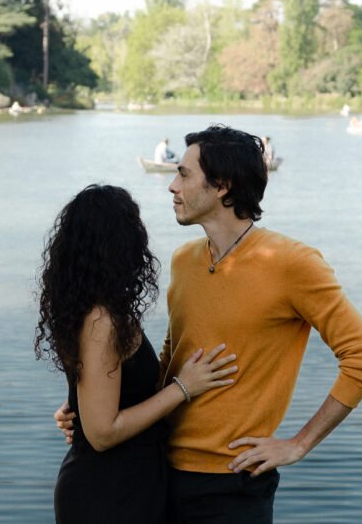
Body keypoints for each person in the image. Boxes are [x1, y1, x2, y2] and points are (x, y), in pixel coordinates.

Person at [57, 125, 362, 523]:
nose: (172, 186)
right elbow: (172, 360)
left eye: (184, 174)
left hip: (232, 485)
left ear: (222, 187)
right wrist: (95, 401)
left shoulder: (292, 264)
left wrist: (298, 445)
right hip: (155, 476)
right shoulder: (184, 261)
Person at [37, 184, 238, 524]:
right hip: (108, 493)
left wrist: (79, 407)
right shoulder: (101, 321)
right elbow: (102, 434)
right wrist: (183, 388)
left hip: (130, 483)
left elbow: (105, 395)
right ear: (119, 242)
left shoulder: (98, 311)